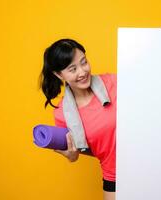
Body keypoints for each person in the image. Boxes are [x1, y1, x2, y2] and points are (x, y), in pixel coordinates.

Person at [39, 38, 116, 200]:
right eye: (72, 69)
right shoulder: (61, 115)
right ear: (58, 74)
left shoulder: (113, 82)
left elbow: (151, 82)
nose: (82, 72)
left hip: (150, 162)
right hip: (113, 175)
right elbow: (81, 151)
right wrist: (71, 155)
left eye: (84, 62)